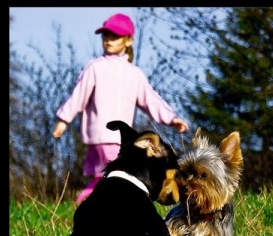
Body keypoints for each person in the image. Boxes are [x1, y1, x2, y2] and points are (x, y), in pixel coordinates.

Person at [52, 13, 189, 205]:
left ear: (128, 40)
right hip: (100, 137)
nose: (108, 41)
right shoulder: (95, 68)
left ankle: (86, 204)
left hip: (120, 138)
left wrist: (171, 118)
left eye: (114, 36)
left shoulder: (134, 74)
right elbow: (78, 96)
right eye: (105, 36)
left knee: (104, 178)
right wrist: (63, 120)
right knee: (113, 177)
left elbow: (151, 100)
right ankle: (93, 206)